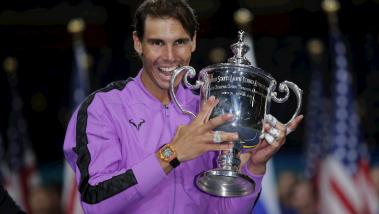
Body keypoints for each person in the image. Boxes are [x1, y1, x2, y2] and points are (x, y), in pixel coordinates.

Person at [63, 0, 303, 213]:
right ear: (138, 43)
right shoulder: (102, 108)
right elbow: (96, 201)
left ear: (194, 42)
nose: (169, 56)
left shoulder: (210, 106)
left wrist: (255, 166)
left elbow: (224, 209)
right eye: (157, 43)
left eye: (179, 42)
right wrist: (172, 153)